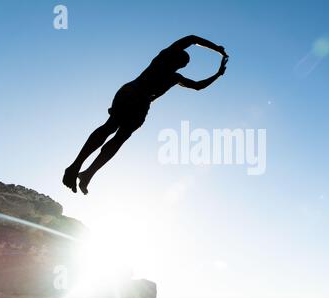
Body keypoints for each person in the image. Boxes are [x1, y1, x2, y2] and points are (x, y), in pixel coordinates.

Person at [63, 35, 228, 194]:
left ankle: (87, 173)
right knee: (112, 128)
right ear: (177, 57)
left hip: (139, 102)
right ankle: (78, 168)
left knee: (117, 134)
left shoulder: (174, 76)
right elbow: (192, 39)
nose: (180, 64)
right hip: (134, 94)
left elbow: (198, 85)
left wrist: (218, 73)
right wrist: (217, 50)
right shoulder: (165, 59)